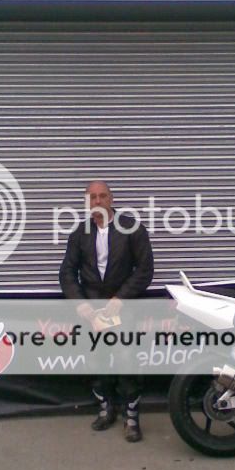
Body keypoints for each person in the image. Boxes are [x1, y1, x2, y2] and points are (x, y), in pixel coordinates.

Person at [59, 181, 154, 442]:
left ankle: (131, 418)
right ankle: (106, 410)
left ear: (111, 199)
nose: (98, 201)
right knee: (95, 361)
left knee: (126, 361)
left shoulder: (132, 228)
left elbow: (145, 270)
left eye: (103, 196)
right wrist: (80, 303)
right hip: (91, 309)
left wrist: (121, 298)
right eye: (93, 197)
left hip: (121, 306)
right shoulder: (79, 233)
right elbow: (67, 271)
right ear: (87, 201)